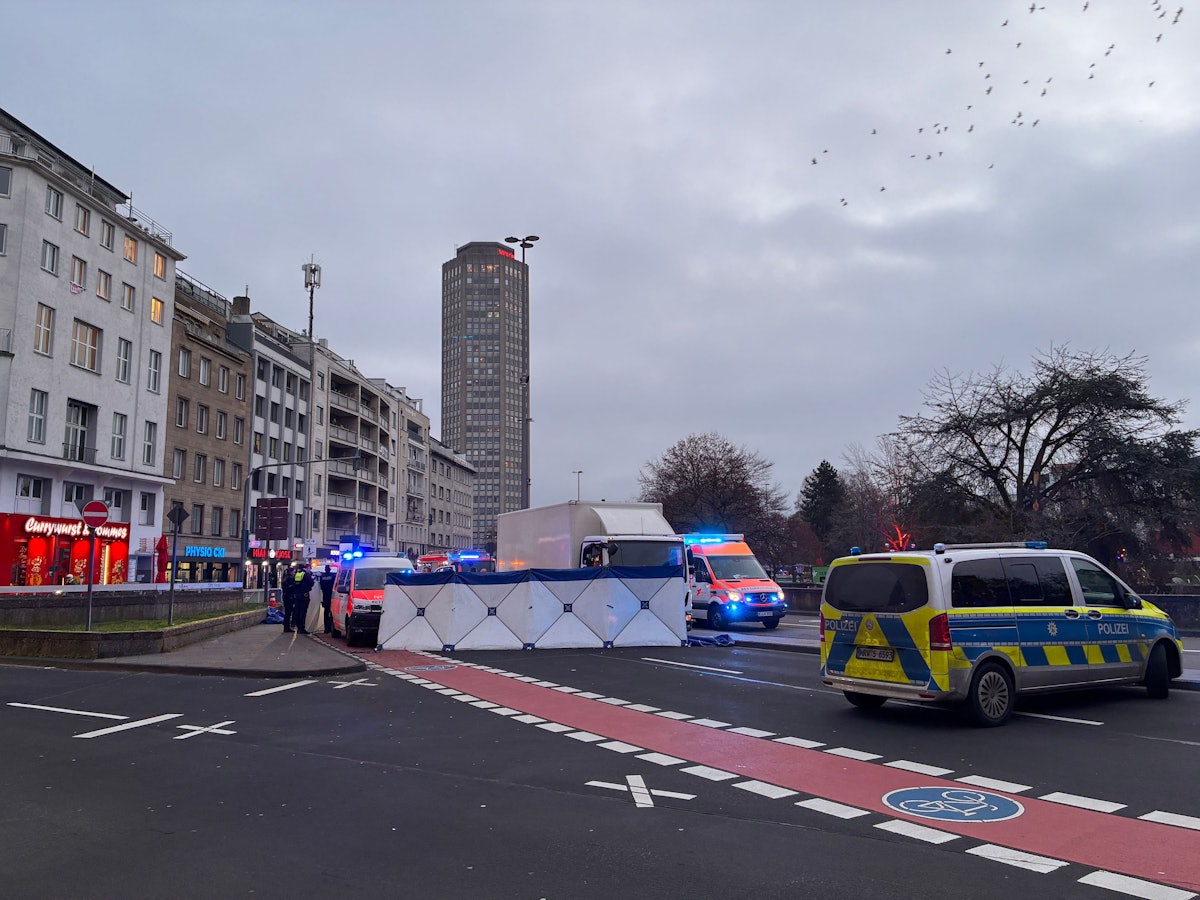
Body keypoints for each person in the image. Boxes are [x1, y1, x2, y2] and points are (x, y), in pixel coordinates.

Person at [292, 564, 316, 635]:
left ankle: (298, 626)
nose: (310, 570)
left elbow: (294, 583)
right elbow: (311, 582)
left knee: (297, 611)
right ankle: (302, 628)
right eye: (309, 568)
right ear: (306, 568)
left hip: (297, 595)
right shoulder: (306, 575)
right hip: (304, 595)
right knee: (303, 612)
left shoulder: (297, 574)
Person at [318, 564, 336, 634]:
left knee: (326, 612)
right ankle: (331, 627)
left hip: (325, 596)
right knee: (332, 612)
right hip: (332, 596)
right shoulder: (333, 576)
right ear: (330, 569)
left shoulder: (322, 577)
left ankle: (326, 628)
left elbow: (320, 586)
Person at [281, 565, 298, 633]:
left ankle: (286, 625)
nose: (294, 573)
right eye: (293, 572)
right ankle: (286, 627)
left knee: (287, 612)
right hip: (289, 597)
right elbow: (291, 588)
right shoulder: (290, 579)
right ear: (291, 572)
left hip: (286, 597)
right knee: (288, 612)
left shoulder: (285, 578)